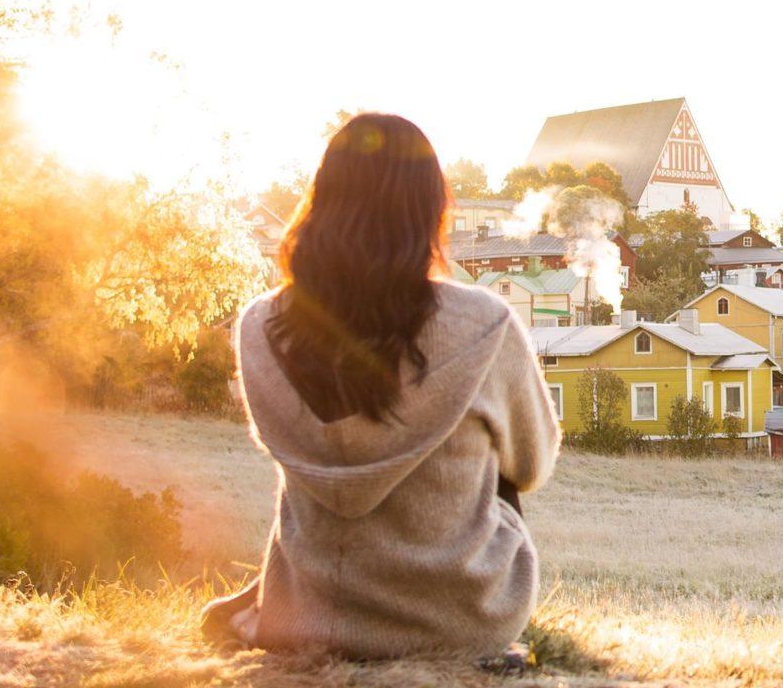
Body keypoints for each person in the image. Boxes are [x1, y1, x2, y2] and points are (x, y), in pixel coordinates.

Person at [203, 112, 559, 657]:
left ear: (320, 201)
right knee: (496, 462)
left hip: (305, 617)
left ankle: (283, 600)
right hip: (466, 622)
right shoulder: (484, 323)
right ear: (430, 210)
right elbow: (530, 468)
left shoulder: (259, 327)